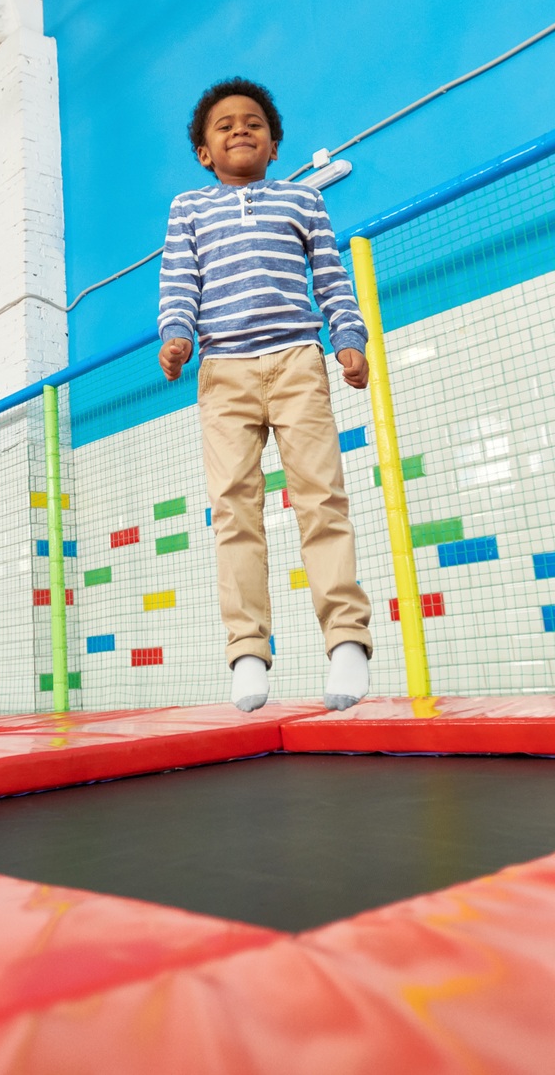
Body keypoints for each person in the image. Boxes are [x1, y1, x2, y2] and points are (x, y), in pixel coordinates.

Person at [158, 77, 373, 713]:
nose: (239, 130)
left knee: (321, 497)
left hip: (297, 360)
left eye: (253, 122)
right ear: (204, 152)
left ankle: (346, 642)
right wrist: (175, 335)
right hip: (223, 370)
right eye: (223, 126)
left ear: (275, 145)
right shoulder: (188, 209)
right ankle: (248, 650)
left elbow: (330, 274)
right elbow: (179, 281)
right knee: (234, 512)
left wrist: (348, 336)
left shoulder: (302, 202)